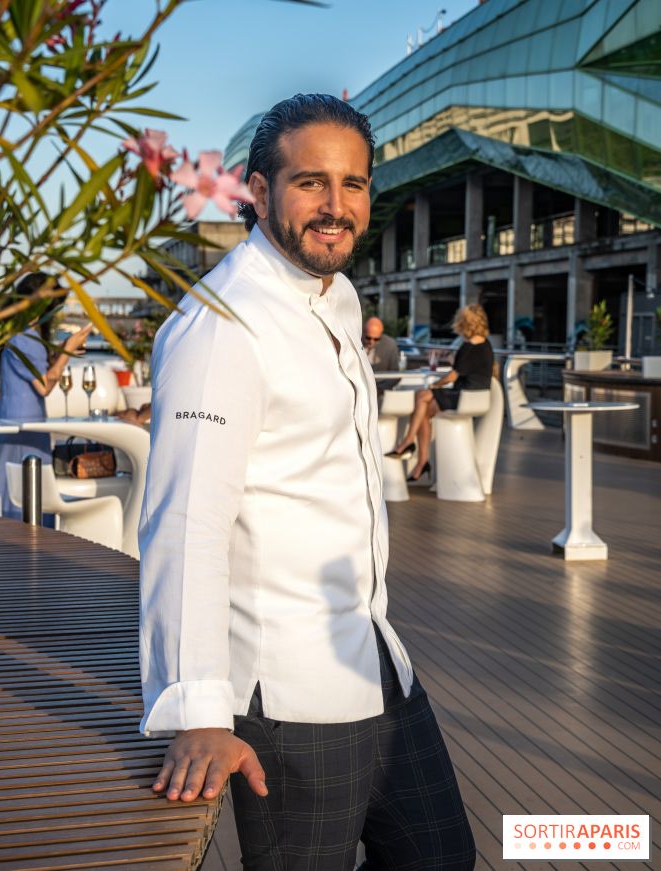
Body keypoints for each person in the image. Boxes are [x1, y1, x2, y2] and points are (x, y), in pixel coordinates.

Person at [140, 94, 475, 871]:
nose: (335, 207)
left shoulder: (337, 293)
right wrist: (195, 710)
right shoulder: (222, 327)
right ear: (257, 191)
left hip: (374, 658)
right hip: (289, 695)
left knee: (439, 857)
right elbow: (184, 523)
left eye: (352, 184)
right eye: (309, 183)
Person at [0, 273, 91, 520]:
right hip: (25, 426)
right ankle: (27, 548)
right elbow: (45, 386)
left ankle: (12, 546)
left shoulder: (18, 334)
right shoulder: (26, 338)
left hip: (16, 422)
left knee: (12, 490)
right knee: (28, 494)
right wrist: (66, 351)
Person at [388, 304, 493, 483]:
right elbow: (468, 368)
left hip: (463, 397)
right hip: (476, 396)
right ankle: (421, 463)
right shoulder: (486, 345)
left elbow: (452, 375)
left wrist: (435, 385)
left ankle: (408, 442)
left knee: (422, 396)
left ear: (464, 323)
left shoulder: (467, 347)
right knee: (424, 410)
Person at [363, 316, 400, 401]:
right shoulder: (355, 342)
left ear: (381, 335)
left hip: (380, 389)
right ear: (363, 333)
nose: (371, 341)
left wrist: (381, 389)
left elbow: (396, 374)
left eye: (376, 339)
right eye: (368, 338)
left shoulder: (390, 345)